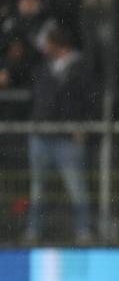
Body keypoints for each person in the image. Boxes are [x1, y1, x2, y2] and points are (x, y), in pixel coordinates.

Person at [26, 25, 95, 244]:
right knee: (38, 188)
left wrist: (82, 126)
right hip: (43, 133)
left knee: (76, 188)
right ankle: (34, 231)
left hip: (67, 137)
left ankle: (82, 230)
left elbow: (89, 100)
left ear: (58, 44)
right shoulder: (44, 67)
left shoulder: (81, 68)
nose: (43, 47)